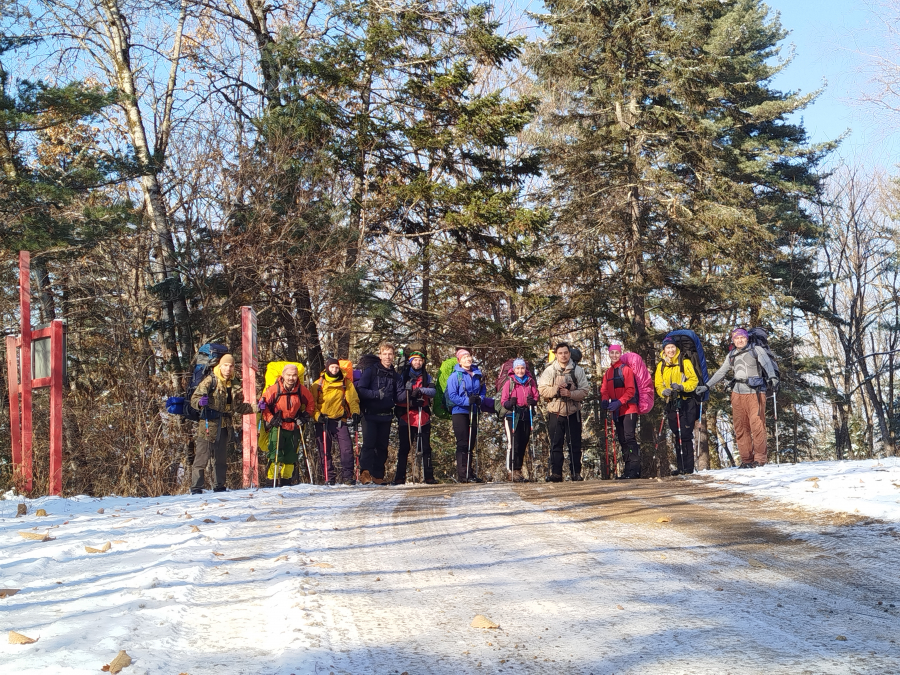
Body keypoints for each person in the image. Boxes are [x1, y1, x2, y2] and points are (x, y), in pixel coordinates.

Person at [701, 328, 778, 468]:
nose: (740, 340)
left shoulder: (757, 350)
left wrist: (772, 377)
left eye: (742, 337)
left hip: (755, 392)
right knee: (740, 427)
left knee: (757, 425)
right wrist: (707, 386)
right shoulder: (732, 354)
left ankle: (759, 459)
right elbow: (721, 372)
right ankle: (746, 459)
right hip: (737, 394)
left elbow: (767, 365)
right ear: (733, 340)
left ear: (747, 338)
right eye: (736, 338)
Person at [189, 353, 255, 494]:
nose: (228, 368)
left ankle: (220, 486)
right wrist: (200, 403)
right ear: (220, 365)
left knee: (221, 459)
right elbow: (194, 399)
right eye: (225, 365)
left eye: (231, 366)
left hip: (225, 425)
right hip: (207, 425)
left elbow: (238, 407)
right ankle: (196, 487)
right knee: (202, 457)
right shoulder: (210, 380)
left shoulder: (234, 383)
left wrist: (256, 408)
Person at [538, 342, 590, 482]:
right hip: (555, 411)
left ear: (569, 353)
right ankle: (556, 473)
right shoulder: (549, 371)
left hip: (573, 411)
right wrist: (556, 389)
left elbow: (585, 390)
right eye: (560, 353)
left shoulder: (577, 370)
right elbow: (542, 390)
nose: (563, 355)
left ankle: (576, 473)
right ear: (556, 354)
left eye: (566, 352)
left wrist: (570, 393)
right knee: (556, 443)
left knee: (575, 443)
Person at [259, 363, 316, 487]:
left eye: (294, 375)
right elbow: (263, 405)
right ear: (283, 375)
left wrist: (305, 416)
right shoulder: (274, 389)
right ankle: (270, 482)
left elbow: (311, 403)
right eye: (289, 375)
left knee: (290, 456)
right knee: (275, 455)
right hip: (277, 426)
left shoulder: (301, 390)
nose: (291, 378)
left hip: (294, 426)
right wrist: (271, 419)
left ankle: (286, 482)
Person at [310, 358, 361, 485]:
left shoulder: (346, 382)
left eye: (336, 367)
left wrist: (355, 413)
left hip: (340, 420)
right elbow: (312, 404)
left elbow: (353, 399)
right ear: (327, 368)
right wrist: (317, 416)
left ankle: (348, 477)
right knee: (325, 451)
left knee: (346, 449)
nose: (334, 370)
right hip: (323, 421)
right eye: (332, 367)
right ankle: (329, 478)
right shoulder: (318, 384)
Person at [356, 341, 400, 485]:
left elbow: (398, 396)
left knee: (382, 446)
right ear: (380, 355)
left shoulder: (394, 375)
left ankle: (378, 476)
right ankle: (365, 475)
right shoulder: (371, 371)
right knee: (369, 445)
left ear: (393, 356)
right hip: (369, 414)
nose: (388, 357)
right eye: (385, 354)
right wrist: (375, 394)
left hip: (386, 415)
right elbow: (361, 390)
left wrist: (408, 392)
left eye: (390, 354)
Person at [654, 336, 699, 475]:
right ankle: (680, 467)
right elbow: (658, 384)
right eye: (668, 348)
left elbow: (694, 380)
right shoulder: (661, 366)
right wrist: (663, 392)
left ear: (676, 347)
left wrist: (681, 387)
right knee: (676, 433)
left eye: (672, 347)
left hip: (686, 401)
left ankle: (688, 467)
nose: (671, 350)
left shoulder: (684, 362)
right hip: (671, 403)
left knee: (685, 433)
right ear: (664, 350)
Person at [394, 348, 438, 485]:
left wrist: (420, 390)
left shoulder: (426, 376)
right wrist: (411, 398)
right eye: (415, 360)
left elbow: (433, 391)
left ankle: (429, 476)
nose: (417, 363)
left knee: (426, 448)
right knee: (404, 448)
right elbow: (398, 395)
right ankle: (399, 477)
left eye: (420, 360)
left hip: (422, 415)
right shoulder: (403, 376)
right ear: (410, 361)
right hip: (406, 416)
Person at [446, 347, 488, 483]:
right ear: (459, 361)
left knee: (471, 442)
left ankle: (470, 473)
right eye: (464, 357)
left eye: (469, 356)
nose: (467, 359)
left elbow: (483, 389)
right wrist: (466, 401)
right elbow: (452, 395)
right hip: (459, 411)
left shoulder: (477, 374)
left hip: (473, 411)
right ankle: (463, 474)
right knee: (463, 442)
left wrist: (479, 399)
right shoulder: (455, 376)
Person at [600, 344, 641, 479]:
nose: (614, 355)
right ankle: (627, 469)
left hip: (629, 408)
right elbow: (604, 390)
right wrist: (605, 400)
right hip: (617, 410)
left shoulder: (626, 370)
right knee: (622, 439)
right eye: (612, 353)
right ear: (609, 354)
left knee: (629, 438)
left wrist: (619, 402)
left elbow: (630, 390)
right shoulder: (608, 373)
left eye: (617, 353)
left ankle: (635, 469)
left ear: (620, 354)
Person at [499, 358, 539, 482]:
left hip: (526, 414)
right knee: (514, 443)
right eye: (518, 368)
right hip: (513, 414)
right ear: (514, 369)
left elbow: (536, 395)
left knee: (523, 442)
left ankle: (518, 470)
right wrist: (510, 403)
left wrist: (534, 401)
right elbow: (503, 400)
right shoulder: (509, 382)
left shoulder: (530, 381)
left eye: (522, 368)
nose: (520, 370)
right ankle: (512, 470)